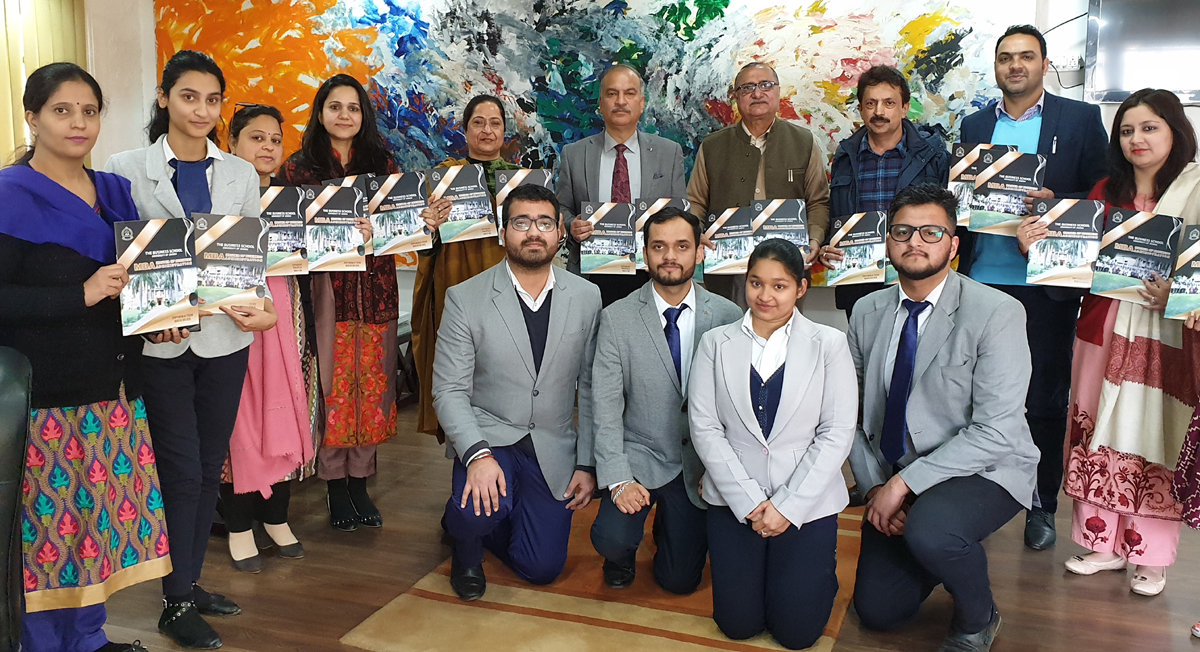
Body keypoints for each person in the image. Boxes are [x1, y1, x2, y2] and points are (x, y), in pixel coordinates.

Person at [105, 50, 276, 650]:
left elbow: (249, 260)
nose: (201, 110)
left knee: (207, 467)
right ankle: (174, 602)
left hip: (226, 339)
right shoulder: (124, 168)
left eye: (212, 100)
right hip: (161, 346)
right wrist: (147, 320)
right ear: (164, 98)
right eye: (188, 96)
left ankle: (189, 580)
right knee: (179, 469)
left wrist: (263, 308)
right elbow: (122, 257)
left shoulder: (240, 173)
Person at [0, 62, 161, 652]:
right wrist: (80, 293)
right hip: (47, 399)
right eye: (62, 110)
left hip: (114, 390)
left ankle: (89, 638)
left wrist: (158, 321)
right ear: (33, 118)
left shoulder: (115, 192)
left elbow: (136, 284)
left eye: (89, 111)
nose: (78, 123)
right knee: (49, 536)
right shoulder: (8, 195)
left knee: (99, 526)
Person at [847, 183, 1038, 652]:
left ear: (953, 245)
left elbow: (996, 431)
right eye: (903, 231)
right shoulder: (866, 311)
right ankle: (938, 547)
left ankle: (978, 617)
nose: (915, 242)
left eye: (931, 232)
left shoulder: (997, 312)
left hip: (984, 470)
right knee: (878, 612)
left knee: (933, 530)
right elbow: (847, 414)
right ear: (888, 241)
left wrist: (902, 486)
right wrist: (874, 487)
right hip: (897, 470)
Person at [957, 24, 1110, 550]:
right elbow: (964, 202)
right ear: (996, 68)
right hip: (982, 280)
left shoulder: (1080, 119)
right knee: (975, 397)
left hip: (1046, 286)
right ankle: (969, 502)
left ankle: (1041, 505)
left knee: (1043, 401)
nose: (1015, 65)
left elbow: (1103, 195)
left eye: (1026, 56)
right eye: (1005, 58)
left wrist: (1056, 203)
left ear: (1045, 64)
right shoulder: (975, 123)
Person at [1058, 89, 1200, 597]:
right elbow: (1073, 259)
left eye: (1149, 127)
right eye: (1126, 130)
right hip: (1102, 330)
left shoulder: (1195, 189)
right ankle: (1103, 543)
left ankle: (1150, 555)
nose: (1136, 139)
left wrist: (1177, 293)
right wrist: (1040, 242)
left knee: (1155, 434)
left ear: (1175, 131)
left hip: (1167, 339)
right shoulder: (1105, 190)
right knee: (1093, 428)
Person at [433, 183, 601, 601]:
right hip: (490, 435)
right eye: (521, 222)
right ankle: (466, 543)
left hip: (553, 442)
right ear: (502, 231)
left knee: (541, 569)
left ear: (559, 231)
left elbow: (592, 387)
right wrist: (476, 455)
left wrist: (587, 463)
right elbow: (449, 390)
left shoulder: (587, 296)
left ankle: (487, 516)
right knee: (476, 511)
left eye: (544, 223)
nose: (533, 232)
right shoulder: (465, 298)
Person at [688, 238, 856, 649]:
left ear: (801, 288)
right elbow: (705, 427)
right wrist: (747, 500)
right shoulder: (715, 342)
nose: (765, 295)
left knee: (796, 635)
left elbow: (836, 432)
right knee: (737, 625)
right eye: (756, 283)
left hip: (806, 501)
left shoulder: (829, 343)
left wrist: (788, 506)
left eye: (779, 286)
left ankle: (815, 575)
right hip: (735, 498)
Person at [589, 207, 740, 592]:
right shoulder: (617, 317)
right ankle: (621, 552)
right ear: (645, 253)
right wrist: (618, 478)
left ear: (700, 252)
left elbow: (736, 407)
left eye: (682, 246)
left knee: (679, 581)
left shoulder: (729, 315)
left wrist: (722, 469)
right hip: (640, 455)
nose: (670, 256)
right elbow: (605, 408)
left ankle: (668, 527)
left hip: (698, 462)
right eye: (659, 246)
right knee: (610, 538)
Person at [277, 74, 397, 532]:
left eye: (353, 107)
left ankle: (361, 481)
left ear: (363, 115)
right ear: (320, 112)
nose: (344, 115)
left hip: (375, 288)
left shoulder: (383, 164)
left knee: (373, 385)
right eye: (335, 106)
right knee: (333, 386)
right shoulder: (298, 169)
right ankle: (333, 485)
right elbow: (285, 234)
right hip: (327, 291)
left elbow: (401, 226)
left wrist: (383, 228)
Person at [219, 103, 315, 572]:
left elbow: (319, 255)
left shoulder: (291, 200)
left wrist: (351, 234)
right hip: (232, 317)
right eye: (256, 138)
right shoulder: (216, 197)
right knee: (239, 419)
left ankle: (276, 517)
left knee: (284, 409)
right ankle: (238, 525)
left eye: (275, 140)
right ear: (231, 143)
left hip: (284, 312)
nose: (268, 147)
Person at [412, 94, 518, 441]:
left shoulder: (520, 180)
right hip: (455, 278)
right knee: (458, 370)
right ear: (466, 129)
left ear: (504, 131)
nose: (487, 130)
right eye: (478, 122)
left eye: (495, 123)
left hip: (509, 284)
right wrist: (430, 223)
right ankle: (464, 451)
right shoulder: (444, 178)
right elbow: (424, 240)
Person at [687, 62, 830, 306]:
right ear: (736, 97)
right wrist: (695, 234)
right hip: (728, 269)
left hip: (786, 266)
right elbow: (695, 202)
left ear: (778, 91)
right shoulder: (712, 146)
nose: (757, 93)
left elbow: (817, 201)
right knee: (727, 326)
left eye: (765, 85)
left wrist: (814, 240)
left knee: (781, 328)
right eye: (747, 88)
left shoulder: (803, 141)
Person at [818, 65, 949, 317]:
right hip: (858, 284)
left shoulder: (933, 156)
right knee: (863, 344)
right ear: (860, 109)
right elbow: (834, 214)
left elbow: (949, 219)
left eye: (889, 103)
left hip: (917, 281)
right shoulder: (845, 157)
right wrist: (827, 245)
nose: (879, 112)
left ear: (905, 108)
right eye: (871, 103)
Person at [557, 63, 687, 305]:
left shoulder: (668, 153)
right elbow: (561, 208)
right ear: (600, 103)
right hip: (592, 275)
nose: (620, 101)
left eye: (629, 93)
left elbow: (681, 213)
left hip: (652, 273)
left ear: (642, 103)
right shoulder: (574, 154)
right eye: (612, 93)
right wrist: (571, 225)